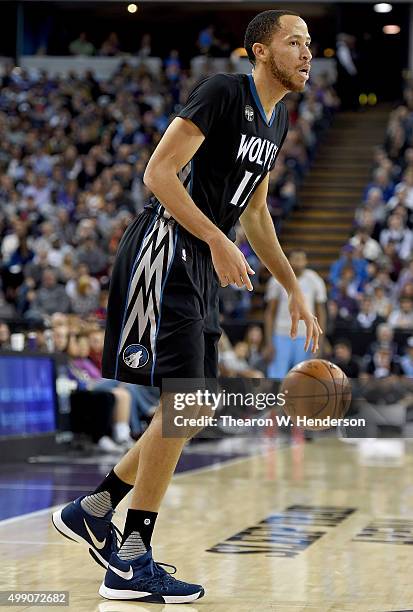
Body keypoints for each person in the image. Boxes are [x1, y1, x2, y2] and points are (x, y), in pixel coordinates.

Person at [52, 10, 320, 603]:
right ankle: (129, 556)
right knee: (187, 402)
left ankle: (95, 509)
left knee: (194, 410)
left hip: (199, 256)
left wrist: (292, 285)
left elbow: (254, 212)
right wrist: (217, 240)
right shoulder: (225, 92)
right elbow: (159, 173)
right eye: (293, 42)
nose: (306, 53)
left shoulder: (275, 120)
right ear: (257, 50)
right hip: (167, 246)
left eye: (309, 44)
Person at [265, 250, 326, 378]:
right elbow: (270, 312)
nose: (298, 262)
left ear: (306, 261)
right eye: (295, 259)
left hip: (305, 335)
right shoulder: (277, 279)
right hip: (281, 333)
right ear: (289, 260)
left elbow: (321, 313)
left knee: (303, 377)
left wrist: (320, 340)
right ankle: (276, 398)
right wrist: (269, 342)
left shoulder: (315, 280)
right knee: (277, 376)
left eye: (300, 259)